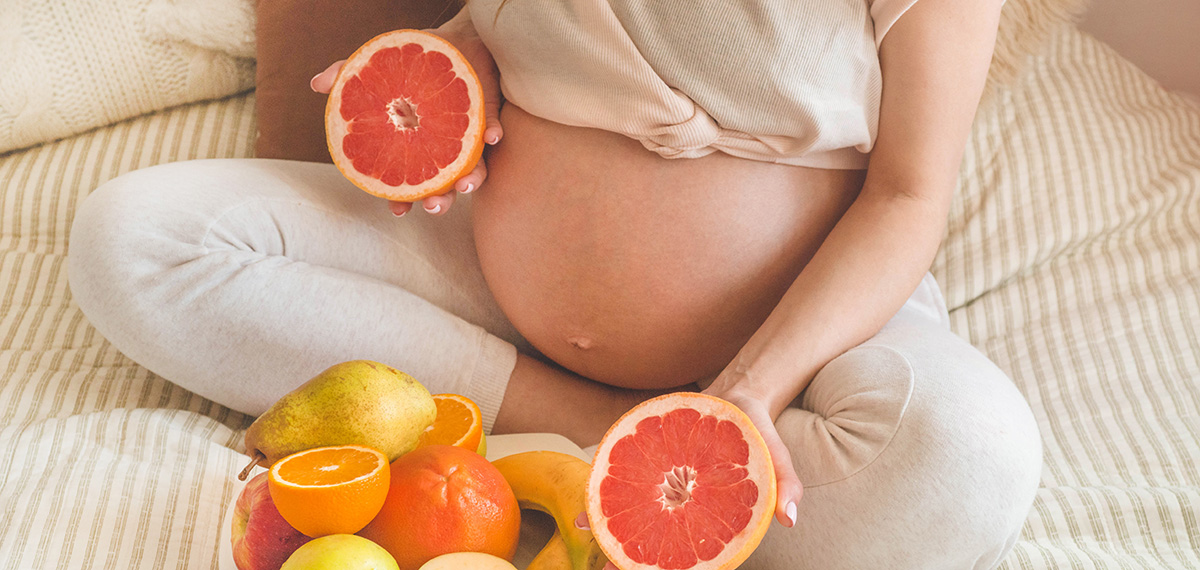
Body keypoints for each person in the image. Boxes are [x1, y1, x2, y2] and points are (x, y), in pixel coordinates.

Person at [67, 0, 1043, 567]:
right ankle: (598, 441)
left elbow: (911, 196)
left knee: (965, 461)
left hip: (796, 331)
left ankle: (693, 457)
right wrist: (466, 51)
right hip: (485, 271)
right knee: (133, 239)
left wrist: (749, 395)